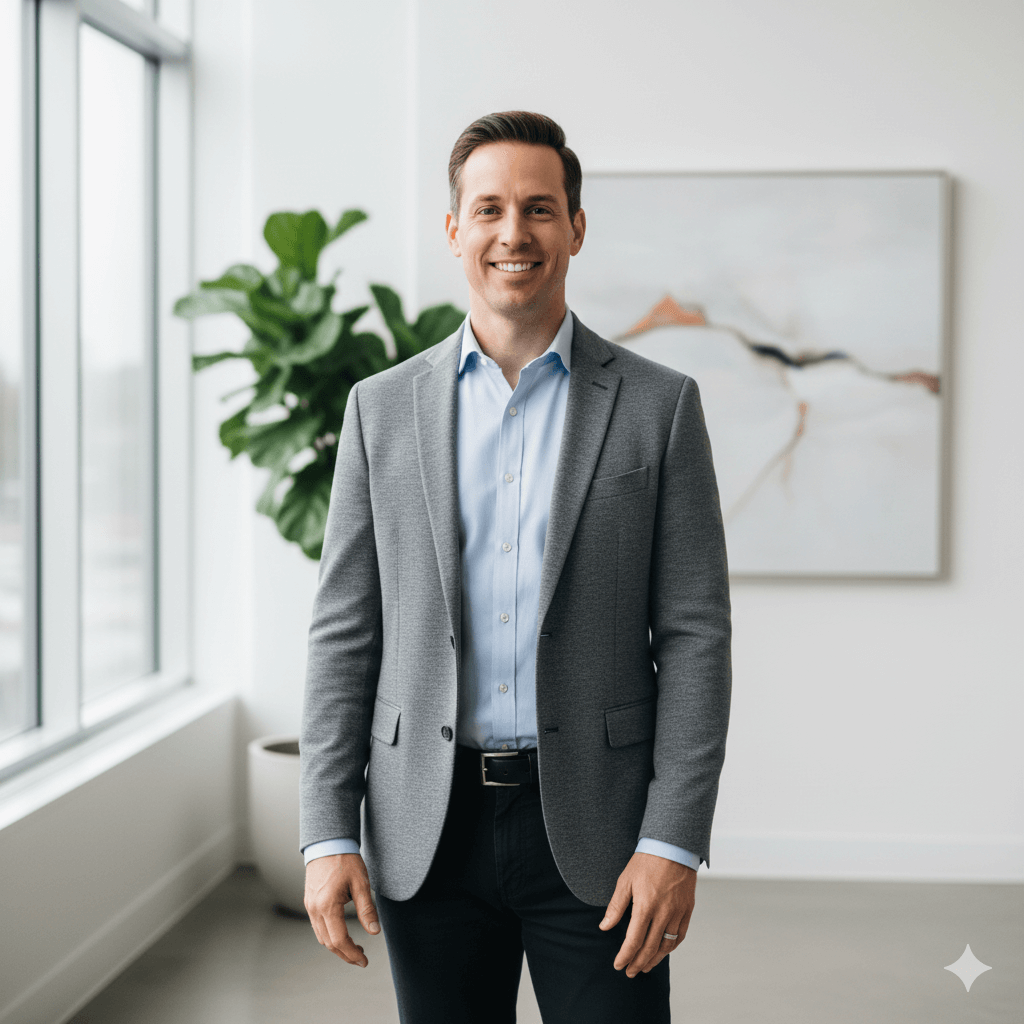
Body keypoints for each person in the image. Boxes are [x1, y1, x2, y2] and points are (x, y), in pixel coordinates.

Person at [299, 110, 731, 1024]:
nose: (514, 232)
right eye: (488, 208)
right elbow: (345, 632)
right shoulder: (381, 410)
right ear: (454, 230)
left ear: (576, 227)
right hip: (427, 825)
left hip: (603, 831)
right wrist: (328, 831)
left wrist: (674, 840)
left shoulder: (660, 408)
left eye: (540, 208)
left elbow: (696, 637)